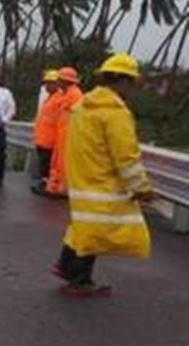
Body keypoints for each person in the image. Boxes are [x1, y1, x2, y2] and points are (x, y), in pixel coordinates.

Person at [52, 53, 154, 298]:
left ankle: (66, 267)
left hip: (82, 178)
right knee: (97, 230)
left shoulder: (83, 106)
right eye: (132, 84)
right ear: (124, 81)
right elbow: (126, 156)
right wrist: (140, 187)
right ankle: (79, 280)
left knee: (85, 225)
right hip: (103, 181)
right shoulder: (115, 112)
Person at [46, 67, 84, 198]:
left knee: (63, 163)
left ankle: (63, 190)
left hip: (69, 135)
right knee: (57, 162)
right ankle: (55, 187)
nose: (57, 83)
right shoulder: (66, 94)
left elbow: (77, 116)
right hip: (62, 134)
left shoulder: (75, 95)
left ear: (65, 81)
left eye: (59, 80)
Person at [31, 70, 61, 195]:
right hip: (43, 139)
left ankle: (48, 186)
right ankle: (44, 184)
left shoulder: (59, 98)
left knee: (48, 165)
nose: (47, 86)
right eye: (46, 83)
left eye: (50, 83)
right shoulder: (49, 98)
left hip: (51, 140)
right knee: (44, 164)